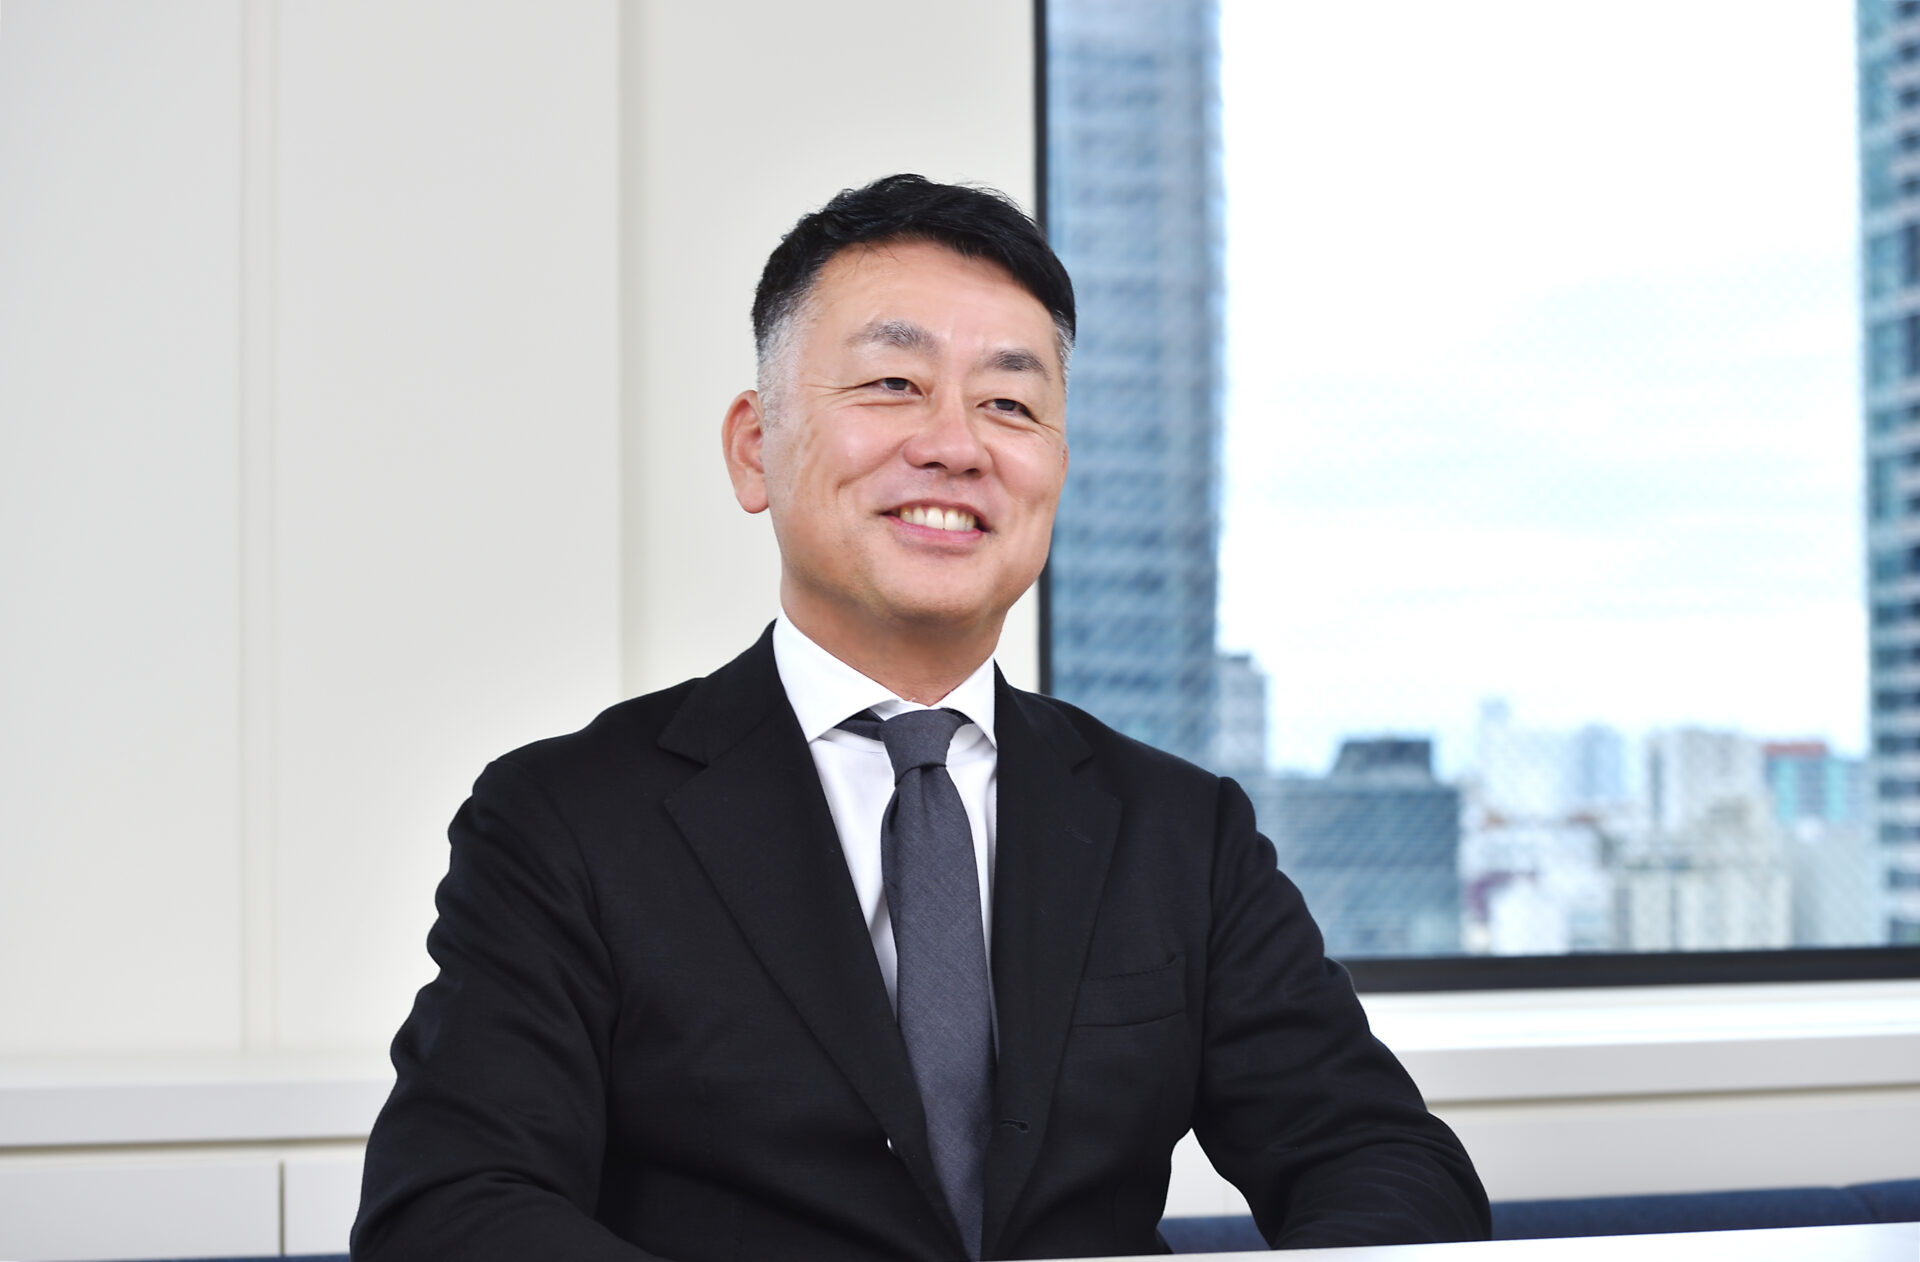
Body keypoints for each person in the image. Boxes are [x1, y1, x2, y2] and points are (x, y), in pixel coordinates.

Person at [351, 174, 1489, 1261]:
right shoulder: (567, 817)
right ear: (756, 448)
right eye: (894, 384)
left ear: (1055, 470)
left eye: (1009, 403)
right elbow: (452, 1208)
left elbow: (1384, 1160)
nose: (956, 443)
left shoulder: (1181, 831)